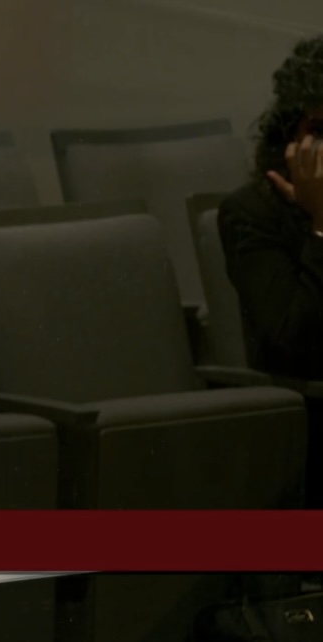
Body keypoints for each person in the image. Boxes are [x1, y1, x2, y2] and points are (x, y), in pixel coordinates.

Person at [219, 34, 323, 507]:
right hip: (310, 426)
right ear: (294, 134)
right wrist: (322, 226)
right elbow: (295, 340)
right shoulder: (252, 214)